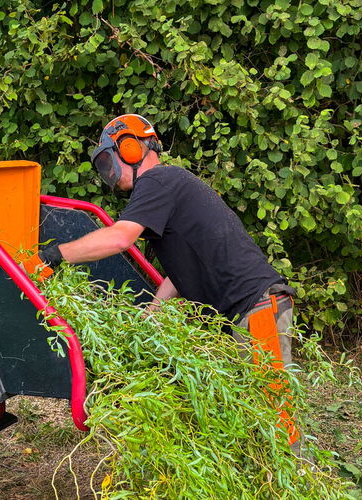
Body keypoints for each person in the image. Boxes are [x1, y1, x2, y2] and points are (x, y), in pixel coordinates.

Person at [39, 113, 299, 446]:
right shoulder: (169, 184)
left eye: (108, 161)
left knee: (278, 424)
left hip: (257, 310)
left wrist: (53, 255)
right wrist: (153, 311)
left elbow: (120, 238)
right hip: (245, 313)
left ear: (130, 148)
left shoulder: (157, 181)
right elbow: (181, 268)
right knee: (253, 420)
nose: (108, 173)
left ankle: (298, 475)